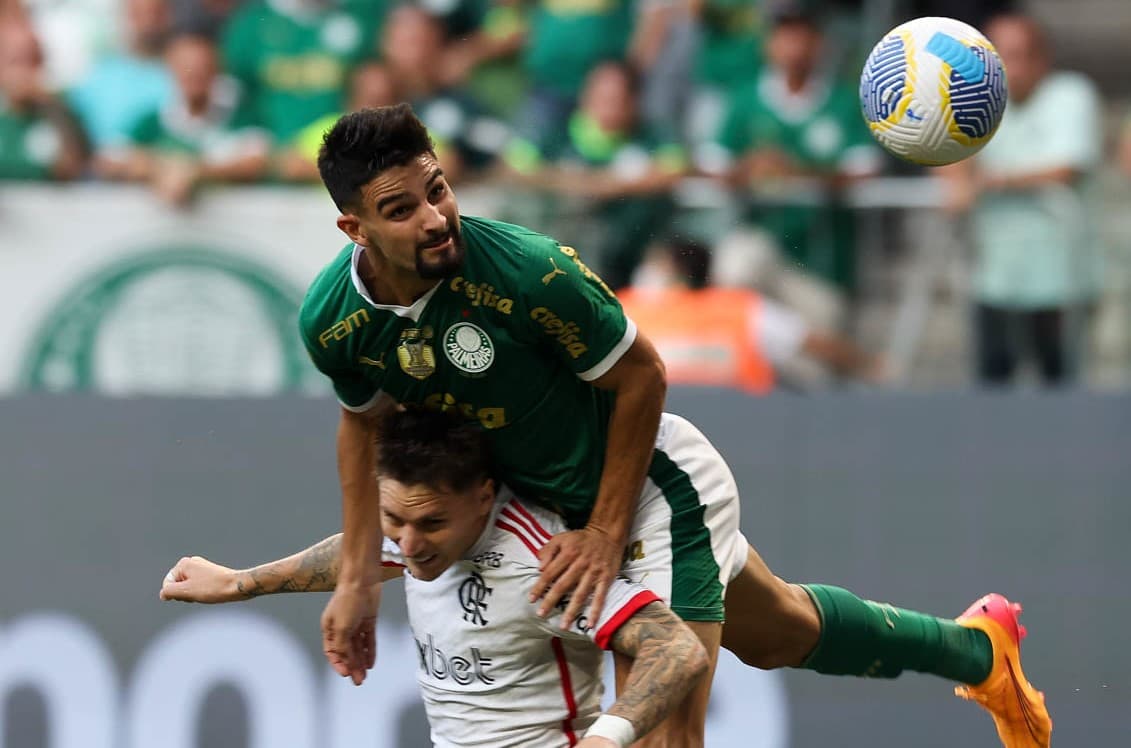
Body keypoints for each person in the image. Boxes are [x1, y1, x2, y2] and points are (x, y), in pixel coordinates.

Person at [305, 104, 1050, 746]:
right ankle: (978, 651)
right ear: (355, 227)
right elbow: (361, 426)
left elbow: (643, 376)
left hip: (655, 491)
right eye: (402, 209)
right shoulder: (332, 321)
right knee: (782, 631)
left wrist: (603, 530)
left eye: (438, 190)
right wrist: (355, 583)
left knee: (664, 733)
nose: (435, 217)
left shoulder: (528, 271)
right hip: (545, 507)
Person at [161, 406, 711, 748]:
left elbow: (678, 650)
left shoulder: (540, 566)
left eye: (430, 523)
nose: (408, 543)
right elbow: (360, 553)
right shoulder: (415, 539)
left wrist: (606, 739)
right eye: (392, 518)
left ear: (483, 498)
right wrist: (241, 583)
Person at [942, 13, 1104, 387]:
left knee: (1061, 393)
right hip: (994, 279)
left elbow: (1067, 168)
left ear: (1042, 58)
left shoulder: (1071, 94)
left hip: (1062, 282)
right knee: (992, 392)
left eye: (1017, 55)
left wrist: (987, 182)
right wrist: (952, 173)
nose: (1008, 68)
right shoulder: (975, 100)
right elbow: (948, 155)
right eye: (997, 57)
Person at [620, 238, 886, 392]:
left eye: (655, 262)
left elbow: (812, 343)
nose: (647, 270)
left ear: (679, 269)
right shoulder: (626, 308)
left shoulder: (740, 309)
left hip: (741, 430)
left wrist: (869, 365)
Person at [94, 32, 270, 206]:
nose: (194, 75)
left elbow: (256, 162)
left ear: (217, 70)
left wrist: (194, 171)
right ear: (170, 69)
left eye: (202, 67)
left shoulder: (242, 118)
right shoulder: (151, 122)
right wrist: (158, 167)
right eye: (186, 67)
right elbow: (109, 160)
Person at [0, 17, 88, 181]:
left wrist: (52, 106)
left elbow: (72, 167)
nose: (24, 71)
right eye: (15, 61)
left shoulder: (61, 110)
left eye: (33, 60)